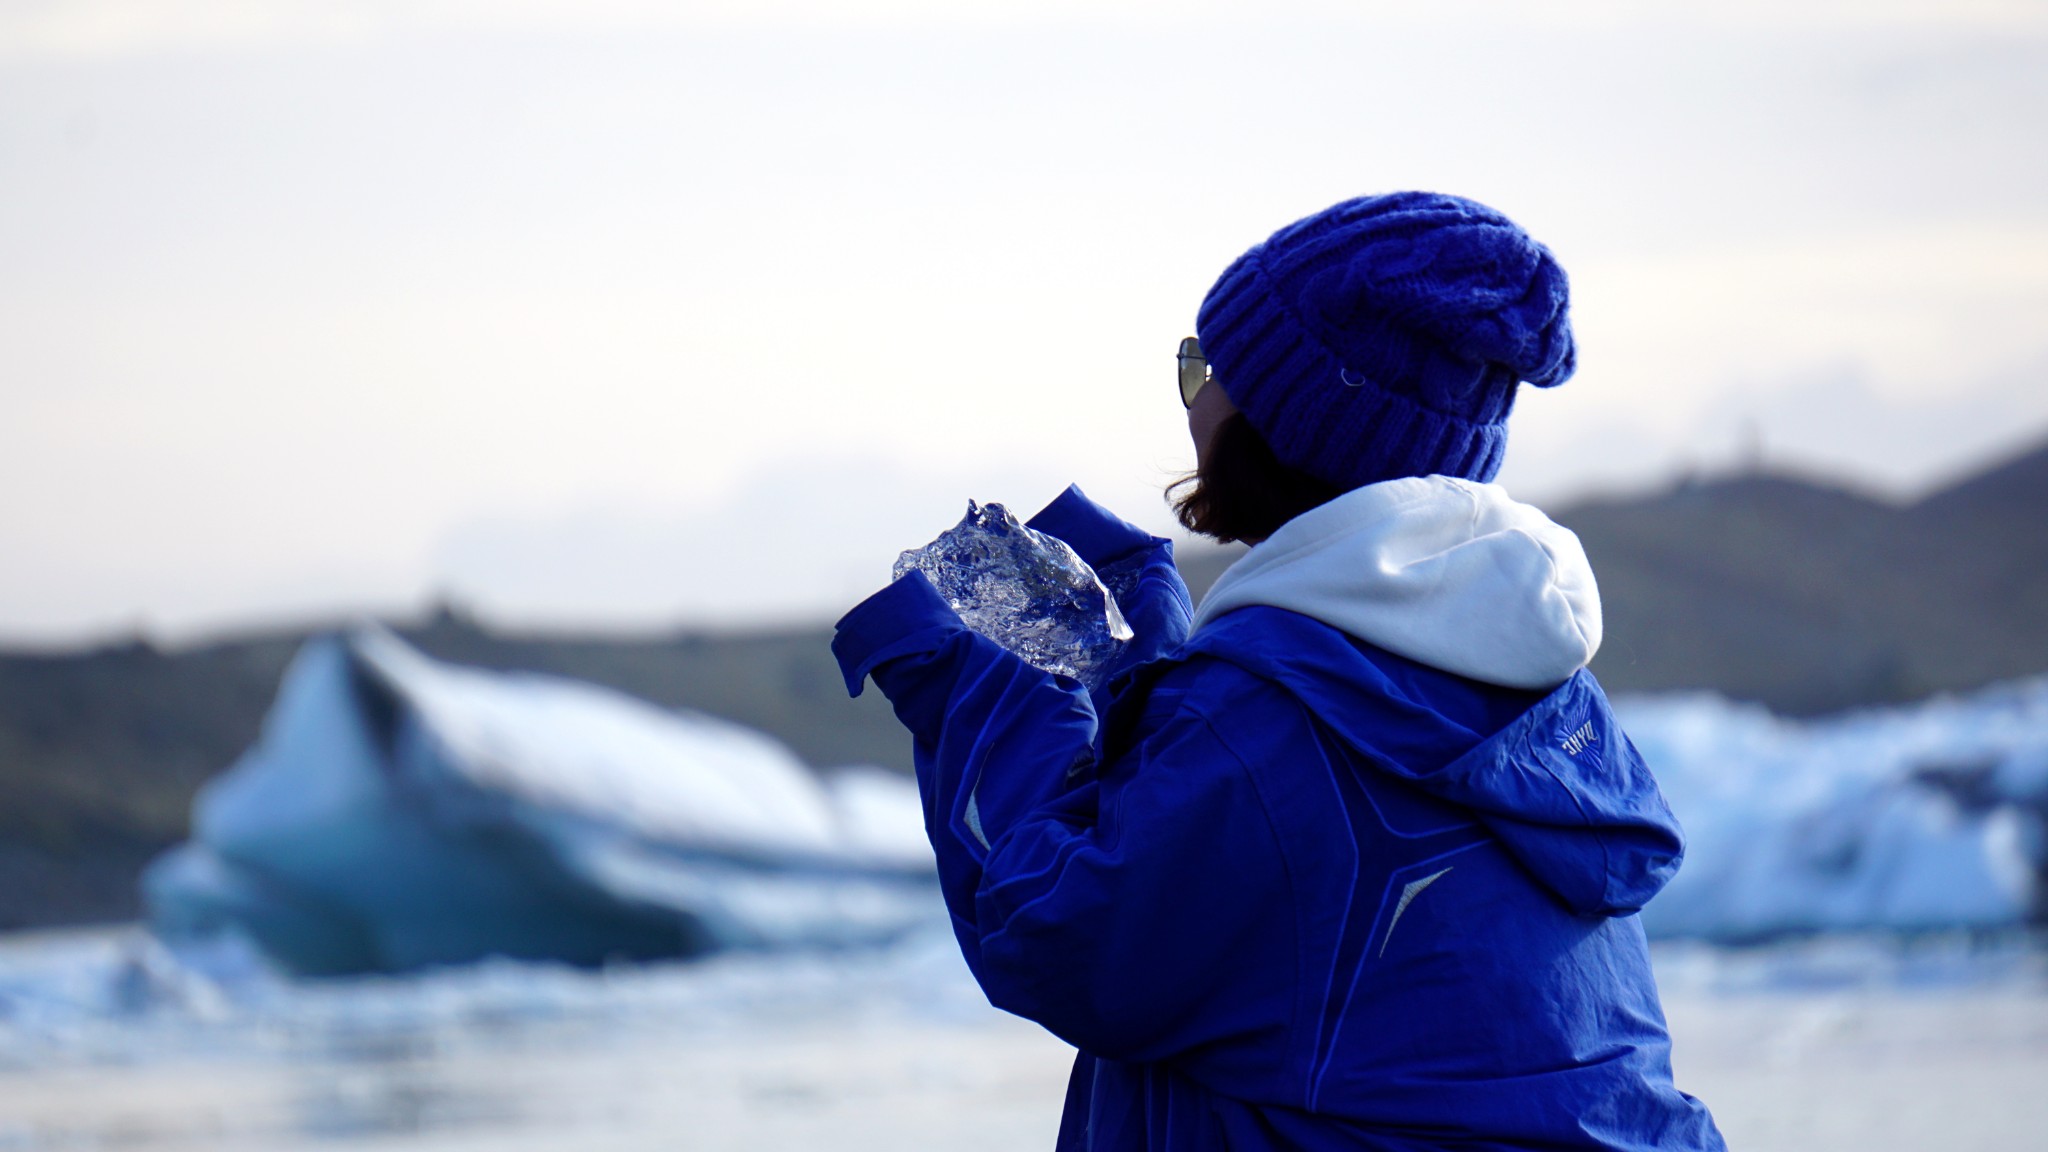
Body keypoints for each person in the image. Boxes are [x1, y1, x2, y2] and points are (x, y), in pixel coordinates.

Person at [831, 192, 1725, 1151]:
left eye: (1201, 367)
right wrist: (1156, 681)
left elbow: (1063, 937)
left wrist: (981, 684)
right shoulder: (1528, 681)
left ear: (1286, 421)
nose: (1190, 397)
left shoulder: (1267, 719)